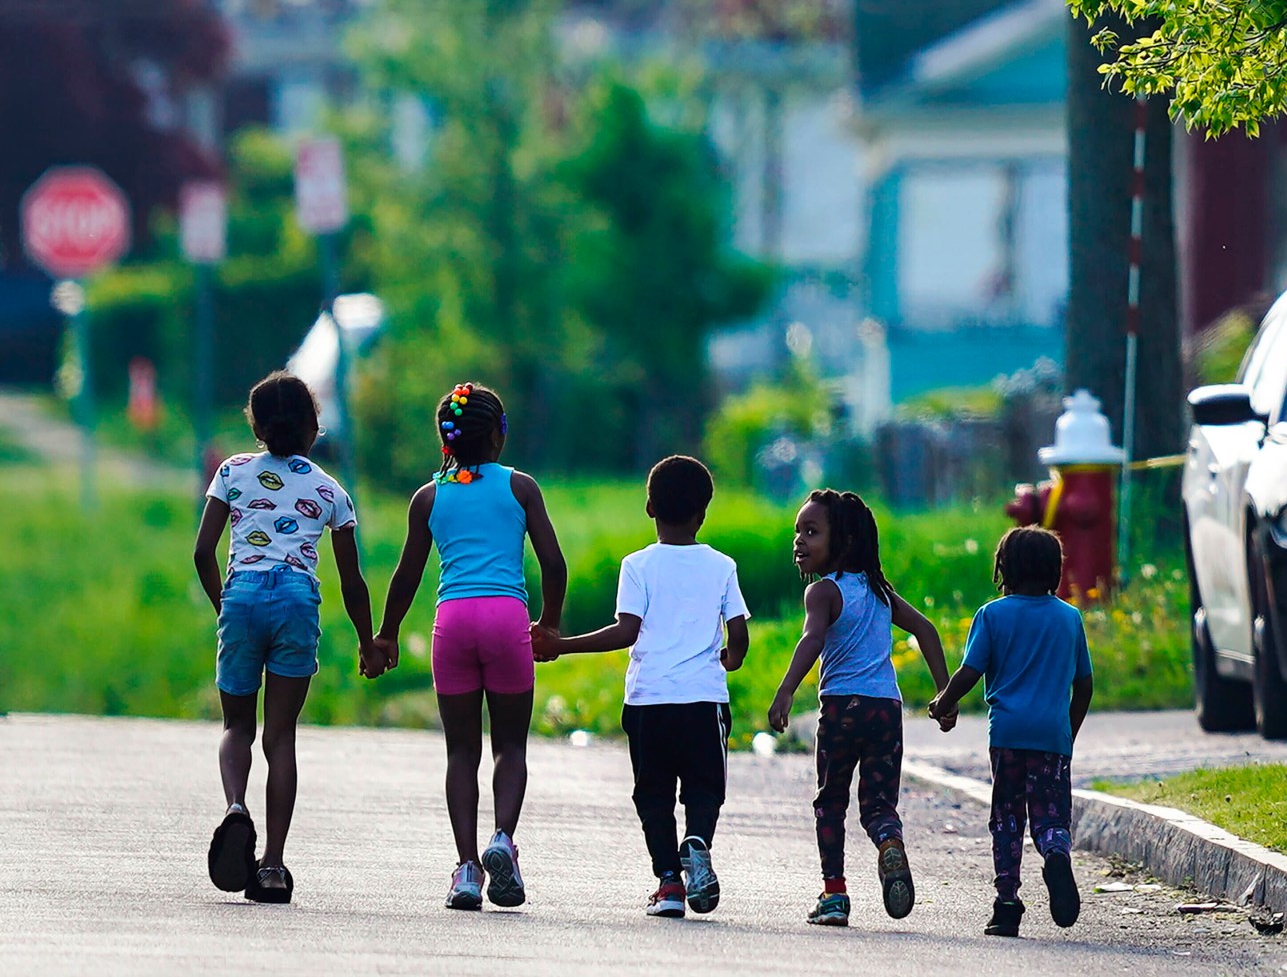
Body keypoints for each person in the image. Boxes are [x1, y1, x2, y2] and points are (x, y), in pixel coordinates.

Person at [190, 372, 386, 904]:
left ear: (254, 424)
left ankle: (235, 807)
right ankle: (273, 866)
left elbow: (203, 552)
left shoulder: (231, 473)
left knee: (237, 726)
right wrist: (369, 642)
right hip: (298, 601)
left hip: (243, 596)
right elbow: (352, 581)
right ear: (312, 425)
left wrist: (225, 606)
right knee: (281, 739)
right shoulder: (330, 491)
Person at [376, 381, 567, 911]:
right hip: (507, 620)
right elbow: (554, 564)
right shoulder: (520, 487)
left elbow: (407, 573)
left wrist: (386, 634)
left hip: (453, 623)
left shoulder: (429, 496)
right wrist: (548, 624)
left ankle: (466, 870)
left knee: (461, 751)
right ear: (498, 436)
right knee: (511, 746)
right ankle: (502, 838)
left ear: (446, 439)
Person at [533, 456, 749, 919]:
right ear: (704, 512)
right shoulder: (721, 565)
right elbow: (738, 632)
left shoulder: (637, 565)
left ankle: (669, 883)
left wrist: (562, 644)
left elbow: (625, 631)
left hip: (650, 701)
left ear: (649, 507)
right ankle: (698, 842)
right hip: (704, 700)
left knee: (653, 793)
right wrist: (731, 657)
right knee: (705, 786)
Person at [766, 489, 952, 928]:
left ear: (844, 542)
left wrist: (786, 690)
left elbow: (811, 640)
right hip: (885, 710)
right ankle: (889, 842)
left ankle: (834, 896)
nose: (799, 541)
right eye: (798, 531)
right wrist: (944, 693)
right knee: (878, 805)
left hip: (841, 710)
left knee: (831, 802)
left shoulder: (823, 593)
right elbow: (925, 630)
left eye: (811, 532)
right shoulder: (879, 593)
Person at [927, 526, 1092, 938]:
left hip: (1007, 735)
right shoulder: (1070, 619)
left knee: (1007, 818)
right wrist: (1067, 732)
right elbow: (1084, 685)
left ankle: (1007, 905)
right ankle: (1055, 853)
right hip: (1053, 737)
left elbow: (970, 671)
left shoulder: (992, 615)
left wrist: (943, 702)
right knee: (1051, 814)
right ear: (1055, 571)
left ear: (1004, 569)